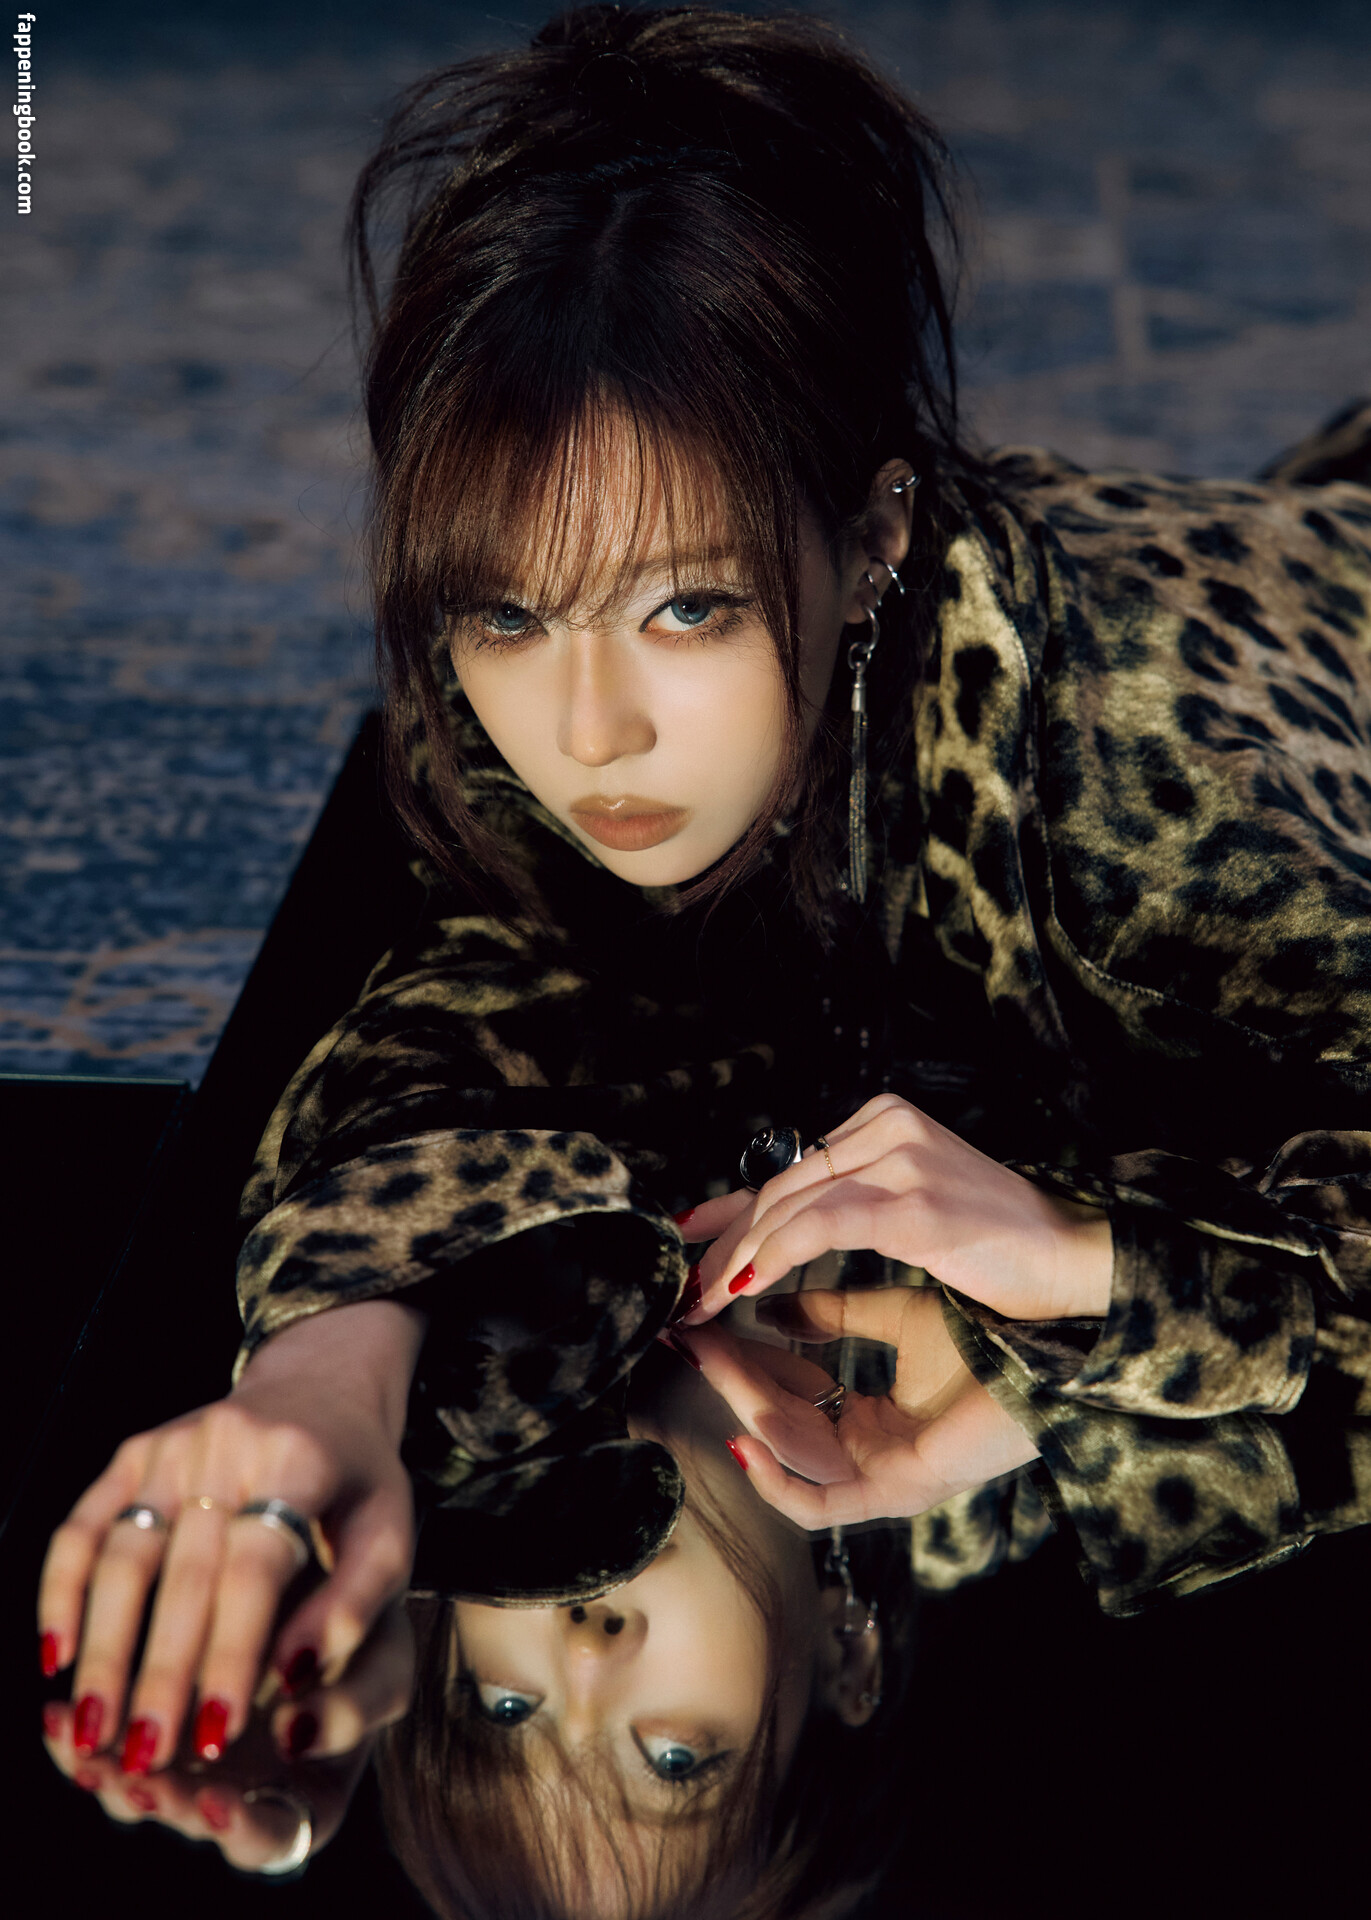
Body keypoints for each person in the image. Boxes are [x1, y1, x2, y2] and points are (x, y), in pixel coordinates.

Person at [36, 3, 1371, 1911]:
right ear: (840, 1678)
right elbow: (479, 1020)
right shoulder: (504, 725)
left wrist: (1098, 1261)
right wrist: (318, 1394)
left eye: (685, 606)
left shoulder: (1131, 778)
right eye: (510, 612)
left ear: (872, 538)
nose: (585, 731)